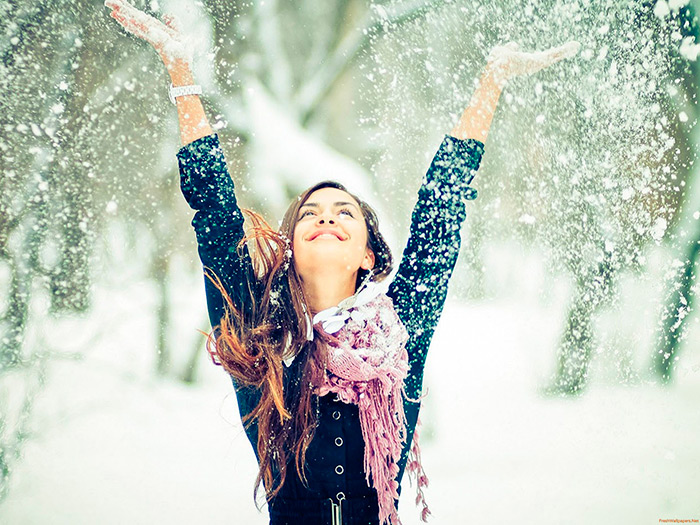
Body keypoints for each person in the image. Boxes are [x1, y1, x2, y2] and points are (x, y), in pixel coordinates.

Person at [104, 2, 579, 524]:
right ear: (289, 247)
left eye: (344, 212)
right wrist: (180, 71)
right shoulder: (260, 336)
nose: (326, 217)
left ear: (368, 254)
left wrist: (491, 82)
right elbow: (214, 215)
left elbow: (441, 211)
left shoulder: (400, 332)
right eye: (310, 213)